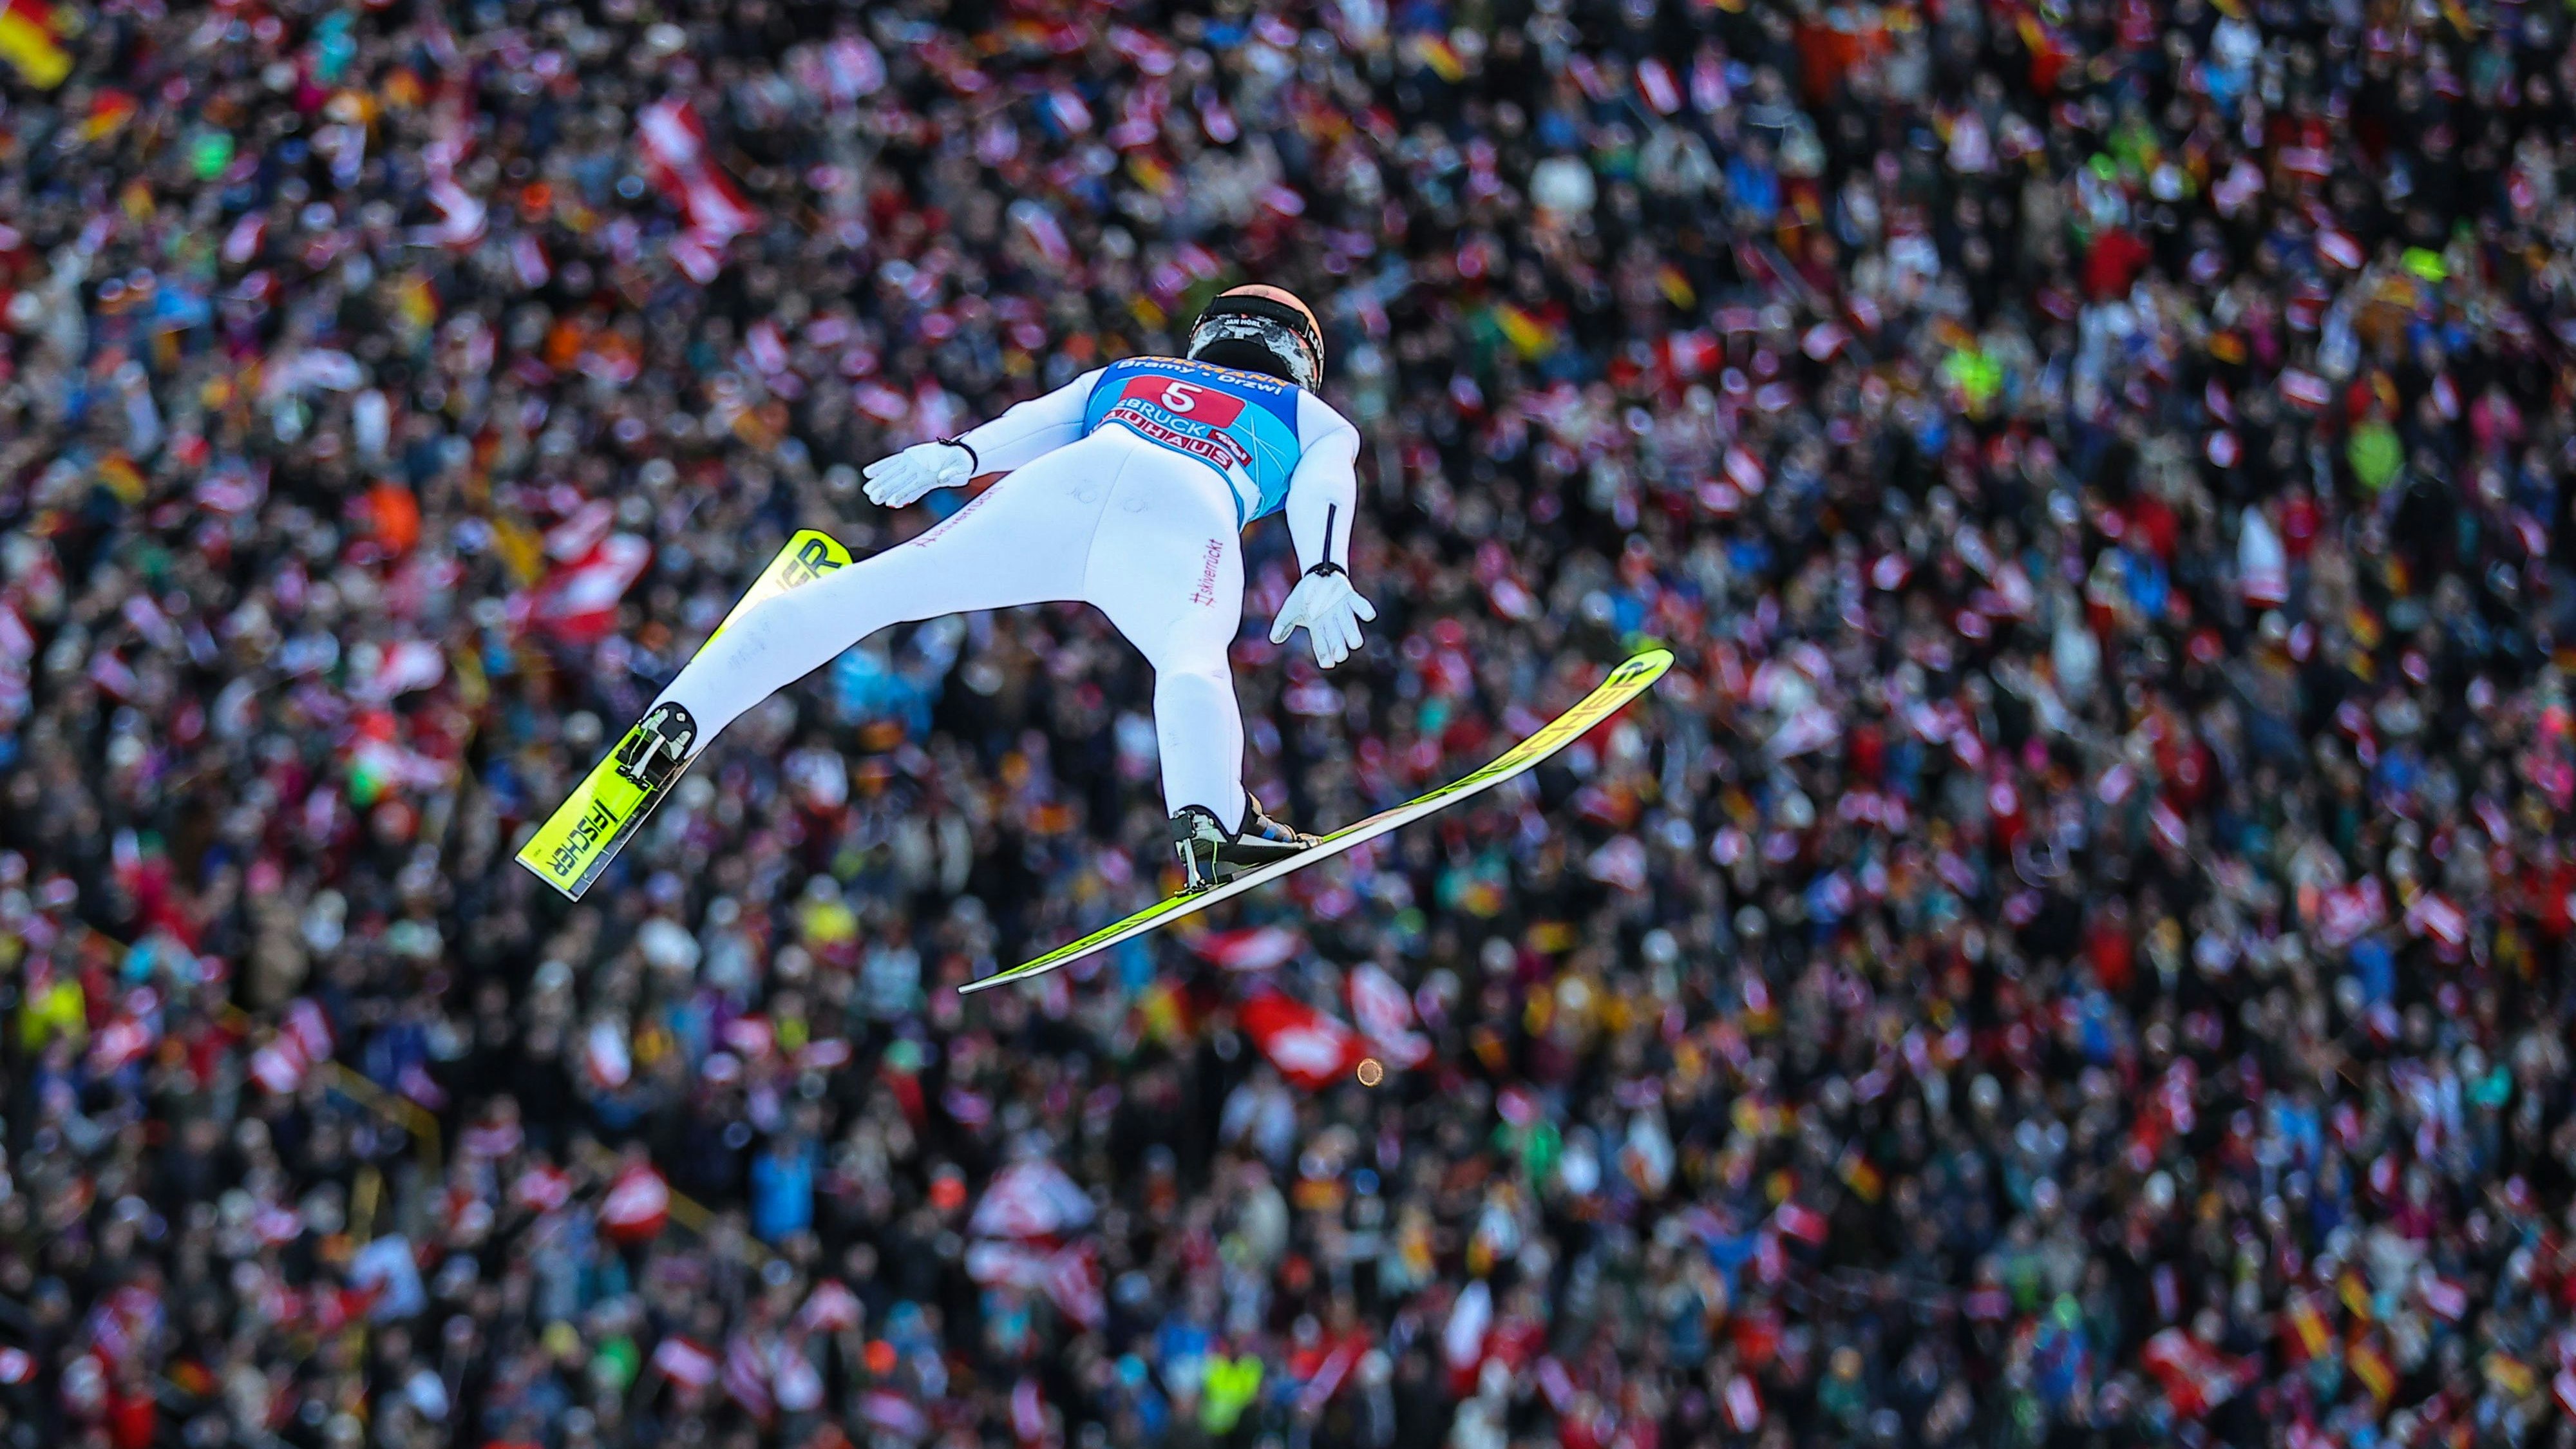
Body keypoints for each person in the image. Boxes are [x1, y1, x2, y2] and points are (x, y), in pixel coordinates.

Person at [611, 285, 1376, 889]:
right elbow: (1324, 487)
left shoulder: (1136, 371)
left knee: (876, 590)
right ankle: (1213, 825)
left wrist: (953, 456)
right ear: (1303, 355)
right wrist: (1325, 567)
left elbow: (1035, 422)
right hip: (1191, 507)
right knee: (1191, 660)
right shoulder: (1312, 413)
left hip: (1067, 481)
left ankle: (680, 712)